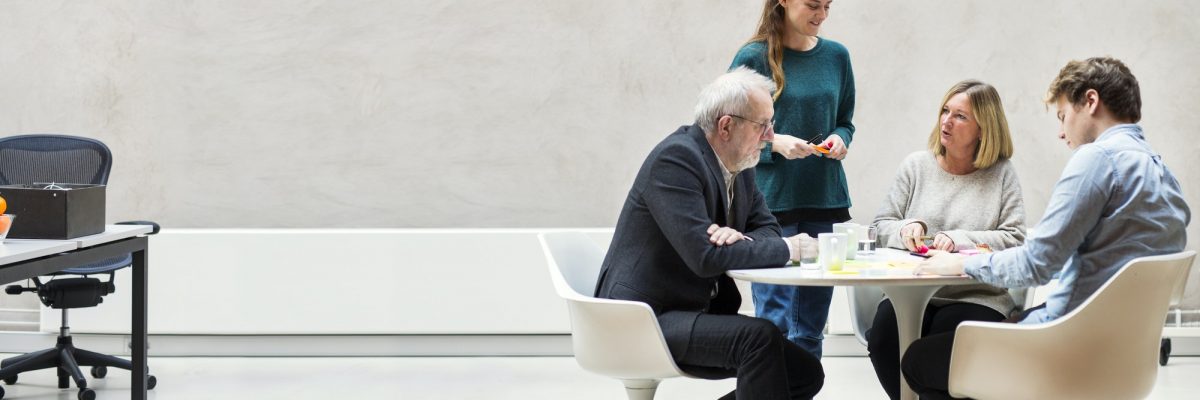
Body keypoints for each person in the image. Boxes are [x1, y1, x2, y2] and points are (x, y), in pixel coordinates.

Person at [901, 57, 1191, 400]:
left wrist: (961, 264)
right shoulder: (1161, 171)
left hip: (1066, 348)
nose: (1061, 131)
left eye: (1063, 115)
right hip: (1122, 355)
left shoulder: (1098, 160)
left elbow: (1036, 266)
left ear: (1091, 102)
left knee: (918, 359)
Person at [594, 67, 824, 400]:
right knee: (758, 339)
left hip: (686, 309)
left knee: (804, 373)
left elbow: (767, 229)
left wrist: (741, 238)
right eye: (763, 125)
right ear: (727, 125)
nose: (770, 136)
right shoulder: (676, 160)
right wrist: (792, 249)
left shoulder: (741, 165)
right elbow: (705, 257)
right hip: (642, 318)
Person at [866, 80, 1026, 400]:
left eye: (961, 116)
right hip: (909, 293)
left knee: (943, 343)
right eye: (944, 111)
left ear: (984, 128)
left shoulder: (1002, 174)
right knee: (883, 337)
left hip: (977, 295)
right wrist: (906, 228)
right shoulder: (916, 167)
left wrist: (959, 240)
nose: (946, 121)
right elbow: (878, 227)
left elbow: (1016, 239)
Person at [729, 0, 856, 358]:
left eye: (828, 7)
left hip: (824, 199)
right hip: (771, 204)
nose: (822, 15)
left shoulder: (837, 56)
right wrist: (775, 142)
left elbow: (845, 120)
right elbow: (728, 128)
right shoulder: (753, 57)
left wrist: (840, 140)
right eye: (813, 5)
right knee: (775, 324)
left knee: (812, 328)